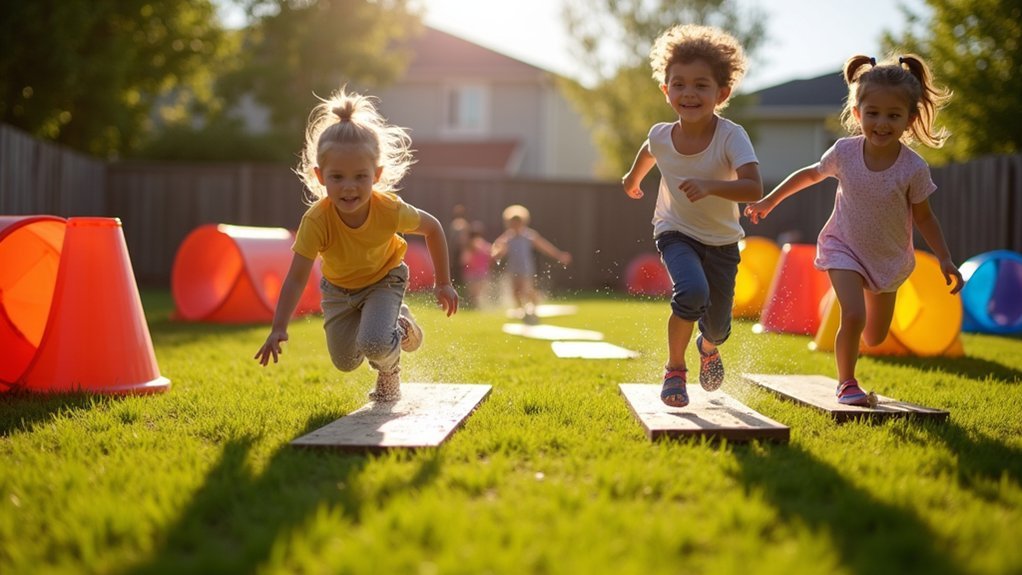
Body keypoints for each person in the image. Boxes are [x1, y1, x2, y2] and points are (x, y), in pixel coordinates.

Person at [744, 54, 964, 406]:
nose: (881, 123)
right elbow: (810, 174)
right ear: (858, 113)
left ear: (909, 120)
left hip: (889, 259)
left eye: (893, 115)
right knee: (854, 315)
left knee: (875, 336)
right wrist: (770, 200)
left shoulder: (913, 168)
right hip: (843, 246)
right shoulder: (845, 152)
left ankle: (850, 322)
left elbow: (925, 217)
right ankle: (847, 384)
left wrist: (946, 259)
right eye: (873, 113)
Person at [254, 88, 458, 402]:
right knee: (346, 362)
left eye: (360, 176)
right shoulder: (317, 221)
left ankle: (390, 370)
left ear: (376, 175)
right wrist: (278, 326)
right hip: (338, 292)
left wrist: (443, 283)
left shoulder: (388, 210)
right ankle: (396, 323)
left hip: (384, 281)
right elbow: (296, 277)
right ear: (321, 176)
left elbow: (433, 228)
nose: (349, 187)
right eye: (337, 177)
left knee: (375, 344)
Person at [621, 24, 763, 408]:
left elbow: (754, 188)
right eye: (679, 84)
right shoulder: (662, 134)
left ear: (722, 93)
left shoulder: (731, 136)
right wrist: (633, 178)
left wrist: (712, 185)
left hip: (722, 241)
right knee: (691, 293)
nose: (689, 93)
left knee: (718, 325)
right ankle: (674, 369)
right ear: (666, 90)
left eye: (701, 85)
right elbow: (650, 150)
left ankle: (708, 346)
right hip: (675, 231)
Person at [491, 204, 571, 324]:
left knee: (526, 290)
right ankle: (522, 310)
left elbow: (545, 247)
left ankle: (534, 303)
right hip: (513, 268)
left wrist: (559, 255)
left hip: (526, 268)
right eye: (513, 222)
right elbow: (497, 248)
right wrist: (496, 253)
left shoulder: (529, 235)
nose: (515, 225)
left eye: (518, 222)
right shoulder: (508, 237)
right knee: (515, 292)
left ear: (523, 222)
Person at [460, 222, 493, 309]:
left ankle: (477, 307)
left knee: (477, 293)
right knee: (474, 293)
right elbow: (464, 260)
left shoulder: (484, 246)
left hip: (480, 273)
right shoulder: (470, 247)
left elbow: (464, 260)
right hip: (473, 273)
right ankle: (475, 306)